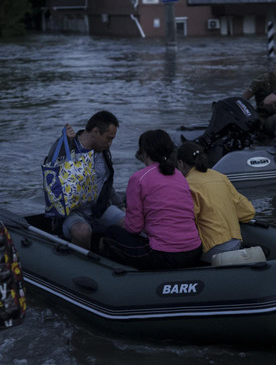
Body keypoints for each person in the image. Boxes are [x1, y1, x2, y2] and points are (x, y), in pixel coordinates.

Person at [102, 130, 203, 270]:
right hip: (194, 251)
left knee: (111, 232)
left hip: (164, 255)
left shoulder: (138, 178)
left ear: (144, 152)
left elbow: (134, 228)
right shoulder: (180, 176)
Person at [44, 110, 125, 249]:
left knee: (129, 223)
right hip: (71, 213)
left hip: (99, 209)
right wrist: (63, 142)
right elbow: (51, 171)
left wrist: (121, 205)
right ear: (95, 131)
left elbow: (105, 184)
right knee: (82, 232)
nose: (110, 143)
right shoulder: (68, 147)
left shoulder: (102, 151)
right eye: (108, 138)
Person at [176, 141, 255, 261]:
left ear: (181, 163)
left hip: (212, 249)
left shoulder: (186, 185)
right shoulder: (220, 177)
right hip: (236, 243)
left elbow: (185, 224)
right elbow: (248, 212)